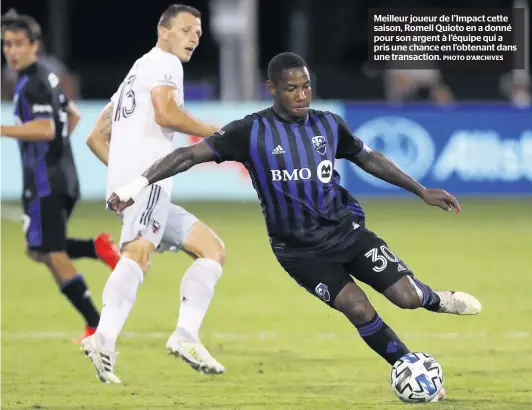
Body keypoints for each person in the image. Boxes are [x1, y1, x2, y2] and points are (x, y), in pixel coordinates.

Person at [106, 51, 483, 396]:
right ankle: (407, 365)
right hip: (300, 252)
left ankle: (435, 299)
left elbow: (369, 158)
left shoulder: (329, 125)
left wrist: (420, 191)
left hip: (347, 233)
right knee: (357, 307)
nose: (302, 95)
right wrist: (136, 184)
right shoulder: (249, 132)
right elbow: (188, 155)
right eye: (291, 89)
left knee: (407, 298)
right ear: (272, 89)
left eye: (306, 87)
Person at [82, 4, 226, 382]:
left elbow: (95, 136)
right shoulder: (165, 64)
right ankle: (104, 338)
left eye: (198, 32)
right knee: (138, 253)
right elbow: (166, 114)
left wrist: (122, 180)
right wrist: (213, 131)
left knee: (212, 250)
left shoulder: (136, 71)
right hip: (149, 183)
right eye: (186, 29)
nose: (194, 36)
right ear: (163, 31)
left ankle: (185, 335)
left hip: (141, 185)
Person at [0, 11, 120, 343]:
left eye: (18, 44)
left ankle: (96, 324)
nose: (11, 51)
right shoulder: (46, 78)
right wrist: (58, 152)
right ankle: (96, 248)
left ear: (34, 46)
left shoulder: (32, 84)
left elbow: (46, 127)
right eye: (6, 44)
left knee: (51, 252)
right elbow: (73, 114)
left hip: (45, 182)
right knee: (36, 248)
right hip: (59, 176)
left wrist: (8, 132)